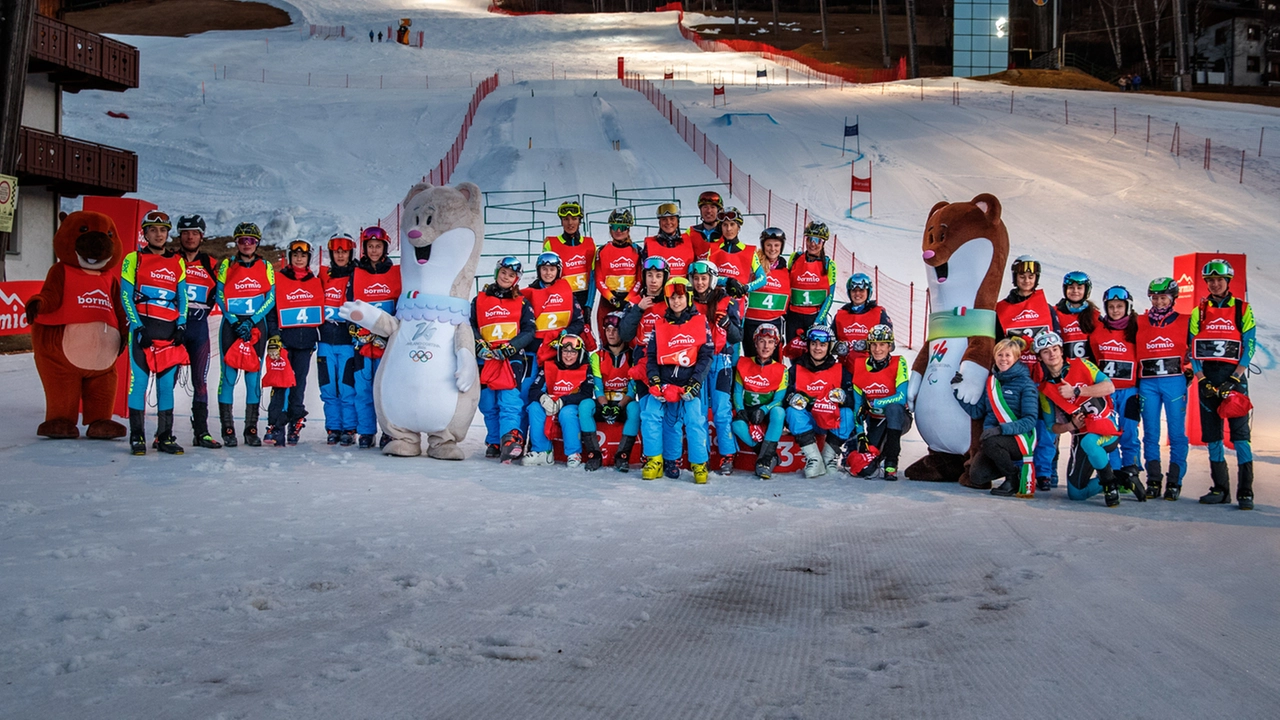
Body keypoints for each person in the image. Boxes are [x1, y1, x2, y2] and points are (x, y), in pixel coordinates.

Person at [1034, 330, 1145, 506]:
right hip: (1080, 434)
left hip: (1105, 426)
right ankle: (1122, 477)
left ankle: (1109, 485)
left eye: (1055, 349)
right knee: (1076, 493)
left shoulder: (1082, 364)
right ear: (1040, 357)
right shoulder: (1046, 390)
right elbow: (1050, 427)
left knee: (1089, 443)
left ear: (1061, 350)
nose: (1052, 354)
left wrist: (1077, 391)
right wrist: (1070, 425)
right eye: (1046, 351)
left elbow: (1109, 387)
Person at [121, 210, 189, 455]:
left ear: (168, 233)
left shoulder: (177, 261)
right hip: (143, 330)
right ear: (145, 233)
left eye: (163, 230)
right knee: (139, 384)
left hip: (168, 331)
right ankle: (137, 436)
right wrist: (137, 326)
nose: (158, 234)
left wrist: (181, 325)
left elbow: (182, 296)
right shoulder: (133, 259)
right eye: (153, 230)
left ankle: (164, 437)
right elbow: (125, 296)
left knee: (165, 386)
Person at [1190, 259, 1256, 509]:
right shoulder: (1200, 310)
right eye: (1210, 281)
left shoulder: (1242, 309)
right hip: (1208, 377)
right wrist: (1201, 378)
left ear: (1228, 281)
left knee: (1240, 435)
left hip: (1234, 377)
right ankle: (1220, 488)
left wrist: (1235, 377)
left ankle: (1246, 491)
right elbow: (1193, 347)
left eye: (1219, 280)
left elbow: (1249, 345)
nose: (1215, 284)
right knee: (1213, 435)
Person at [995, 255, 1061, 490]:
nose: (1026, 280)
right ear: (1015, 278)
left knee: (1045, 425)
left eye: (1031, 276)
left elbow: (1057, 341)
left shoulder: (1047, 308)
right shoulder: (1001, 308)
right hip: (1016, 379)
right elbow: (996, 344)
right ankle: (1017, 470)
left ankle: (1044, 472)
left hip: (1043, 379)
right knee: (1018, 425)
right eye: (1022, 276)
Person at [641, 277, 713, 483]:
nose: (676, 302)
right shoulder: (660, 324)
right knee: (651, 416)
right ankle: (656, 460)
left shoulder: (700, 322)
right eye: (672, 298)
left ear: (688, 298)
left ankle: (699, 464)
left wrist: (696, 382)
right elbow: (652, 356)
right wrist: (654, 380)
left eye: (680, 297)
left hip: (689, 382)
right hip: (664, 383)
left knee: (694, 419)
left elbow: (706, 355)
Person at [954, 337, 1040, 497]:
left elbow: (1030, 420)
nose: (1003, 359)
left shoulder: (1025, 384)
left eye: (1008, 355)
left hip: (1020, 440)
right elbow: (977, 412)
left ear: (1016, 358)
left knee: (990, 441)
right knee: (977, 476)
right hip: (993, 440)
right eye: (1000, 355)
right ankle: (1013, 470)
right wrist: (957, 391)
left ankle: (1012, 478)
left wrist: (1000, 429)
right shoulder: (991, 383)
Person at [215, 222, 276, 447]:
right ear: (237, 242)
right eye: (242, 240)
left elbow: (270, 297)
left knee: (253, 379)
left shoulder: (266, 265)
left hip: (255, 325)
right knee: (228, 377)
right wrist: (233, 320)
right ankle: (227, 428)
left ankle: (251, 429)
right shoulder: (227, 264)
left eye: (251, 240)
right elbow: (219, 296)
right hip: (231, 326)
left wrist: (251, 320)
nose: (247, 244)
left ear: (257, 242)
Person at [472, 256, 535, 462]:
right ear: (496, 273)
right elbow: (469, 325)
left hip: (510, 358)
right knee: (488, 402)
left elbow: (529, 329)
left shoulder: (522, 301)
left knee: (509, 400)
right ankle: (494, 441)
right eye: (503, 273)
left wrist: (512, 346)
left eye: (511, 275)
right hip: (486, 358)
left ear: (516, 279)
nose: (506, 277)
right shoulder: (479, 299)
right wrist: (478, 342)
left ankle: (510, 440)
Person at [346, 226, 401, 449]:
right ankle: (367, 431)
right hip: (363, 344)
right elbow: (349, 307)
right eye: (370, 246)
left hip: (386, 343)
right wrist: (356, 332)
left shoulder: (396, 273)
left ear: (385, 248)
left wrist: (390, 335)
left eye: (378, 246)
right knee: (363, 389)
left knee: (386, 391)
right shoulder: (356, 273)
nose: (374, 250)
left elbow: (401, 309)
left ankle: (389, 431)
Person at [264, 240, 322, 446]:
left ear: (308, 259)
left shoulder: (315, 281)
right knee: (280, 384)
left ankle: (294, 423)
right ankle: (275, 424)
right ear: (289, 257)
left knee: (299, 384)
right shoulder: (279, 279)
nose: (299, 259)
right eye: (295, 255)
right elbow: (272, 311)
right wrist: (274, 335)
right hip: (285, 342)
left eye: (303, 256)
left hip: (305, 342)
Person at [1136, 277, 1190, 500]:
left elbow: (1196, 349)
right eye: (1155, 298)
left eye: (1163, 298)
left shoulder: (1186, 321)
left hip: (1174, 381)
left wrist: (1190, 371)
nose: (1158, 302)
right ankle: (1154, 479)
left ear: (1173, 299)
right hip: (1148, 382)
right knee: (1150, 433)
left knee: (1177, 433)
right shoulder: (1138, 321)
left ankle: (1175, 481)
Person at [689, 259, 742, 474]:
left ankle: (727, 455)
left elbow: (738, 336)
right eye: (696, 278)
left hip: (721, 361)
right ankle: (702, 457)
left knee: (721, 410)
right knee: (699, 412)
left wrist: (727, 325)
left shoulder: (726, 301)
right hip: (697, 363)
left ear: (712, 279)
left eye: (704, 278)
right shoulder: (687, 300)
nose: (700, 282)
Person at [174, 214, 221, 449]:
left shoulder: (210, 263)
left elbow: (219, 295)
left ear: (201, 236)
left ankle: (201, 431)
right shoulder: (171, 260)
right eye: (185, 233)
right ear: (179, 236)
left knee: (200, 381)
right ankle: (164, 432)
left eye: (194, 233)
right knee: (168, 380)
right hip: (173, 327)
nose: (190, 237)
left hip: (199, 326)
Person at [786, 325, 855, 478]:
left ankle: (828, 457)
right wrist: (791, 397)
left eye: (822, 345)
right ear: (808, 345)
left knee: (848, 414)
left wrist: (844, 397)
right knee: (792, 411)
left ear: (829, 347)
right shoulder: (796, 369)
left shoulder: (840, 370)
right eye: (814, 344)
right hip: (808, 421)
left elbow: (852, 401)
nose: (817, 348)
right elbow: (785, 395)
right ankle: (814, 458)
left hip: (830, 421)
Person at [1089, 286, 1142, 478]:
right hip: (1107, 392)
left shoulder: (1136, 330)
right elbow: (1096, 358)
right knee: (1108, 432)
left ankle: (1131, 469)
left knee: (1129, 432)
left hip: (1129, 391)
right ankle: (1113, 472)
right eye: (1111, 306)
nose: (1115, 310)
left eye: (1120, 306)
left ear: (1128, 307)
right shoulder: (1098, 332)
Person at [524, 334, 595, 467]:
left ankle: (573, 452)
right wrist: (543, 398)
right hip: (550, 403)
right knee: (534, 407)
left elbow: (587, 394)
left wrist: (563, 400)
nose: (568, 356)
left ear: (579, 354)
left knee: (567, 413)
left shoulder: (585, 369)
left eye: (573, 352)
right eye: (565, 351)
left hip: (570, 404)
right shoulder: (549, 367)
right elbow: (534, 389)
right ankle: (541, 451)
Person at [849, 325, 910, 480]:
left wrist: (875, 403)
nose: (877, 349)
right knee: (865, 469)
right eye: (874, 344)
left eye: (882, 344)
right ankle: (880, 454)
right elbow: (858, 406)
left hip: (898, 418)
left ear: (890, 346)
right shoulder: (860, 365)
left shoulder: (899, 362)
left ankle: (891, 463)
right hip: (875, 420)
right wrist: (860, 434)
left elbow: (901, 397)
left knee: (894, 408)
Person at [584, 311, 641, 472]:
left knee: (635, 408)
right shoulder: (597, 356)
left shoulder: (633, 356)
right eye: (607, 329)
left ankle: (622, 456)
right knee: (585, 405)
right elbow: (597, 386)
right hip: (605, 403)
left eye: (615, 329)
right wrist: (605, 405)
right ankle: (594, 455)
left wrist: (619, 406)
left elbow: (632, 390)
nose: (611, 333)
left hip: (623, 405)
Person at [731, 324, 788, 478]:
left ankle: (764, 462)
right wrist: (740, 409)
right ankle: (769, 455)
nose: (765, 346)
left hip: (767, 410)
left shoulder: (782, 369)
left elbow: (779, 399)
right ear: (755, 343)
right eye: (762, 341)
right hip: (749, 408)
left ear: (775, 345)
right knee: (736, 424)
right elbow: (737, 391)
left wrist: (764, 410)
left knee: (779, 412)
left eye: (770, 342)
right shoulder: (744, 363)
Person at [318, 233, 358, 445]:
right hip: (325, 339)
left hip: (347, 341)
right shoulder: (325, 275)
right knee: (327, 387)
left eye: (344, 251)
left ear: (351, 252)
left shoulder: (357, 274)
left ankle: (349, 428)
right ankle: (333, 427)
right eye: (336, 251)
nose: (340, 255)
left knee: (346, 387)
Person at [784, 221, 837, 358]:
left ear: (823, 243)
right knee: (794, 355)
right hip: (794, 317)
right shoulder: (795, 258)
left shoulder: (829, 265)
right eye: (809, 239)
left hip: (815, 317)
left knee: (815, 357)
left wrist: (818, 321)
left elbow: (829, 297)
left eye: (817, 240)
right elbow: (786, 287)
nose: (813, 244)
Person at [543, 200, 595, 327]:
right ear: (561, 221)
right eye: (566, 219)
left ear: (580, 220)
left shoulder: (590, 244)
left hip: (583, 301)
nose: (570, 223)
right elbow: (545, 276)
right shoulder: (551, 244)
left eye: (574, 218)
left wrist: (588, 305)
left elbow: (593, 277)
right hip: (562, 300)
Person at [742, 227, 790, 357]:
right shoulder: (754, 266)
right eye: (769, 245)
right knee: (751, 361)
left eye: (776, 245)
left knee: (773, 364)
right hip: (752, 323)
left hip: (773, 324)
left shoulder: (785, 271)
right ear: (763, 245)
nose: (772, 249)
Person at [832, 272, 892, 372]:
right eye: (854, 291)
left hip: (871, 369)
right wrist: (837, 346)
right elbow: (828, 342)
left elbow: (890, 344)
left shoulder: (878, 313)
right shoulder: (841, 314)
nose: (857, 294)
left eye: (861, 290)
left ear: (868, 292)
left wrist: (867, 345)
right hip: (845, 370)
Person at [707, 206, 765, 308]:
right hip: (715, 302)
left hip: (738, 303)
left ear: (738, 228)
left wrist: (746, 288)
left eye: (732, 224)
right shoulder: (713, 249)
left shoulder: (749, 251)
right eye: (725, 225)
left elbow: (762, 278)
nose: (728, 229)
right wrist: (727, 281)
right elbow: (707, 276)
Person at [594, 208, 640, 331]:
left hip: (629, 301)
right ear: (610, 229)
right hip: (607, 302)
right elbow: (598, 279)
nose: (618, 231)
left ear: (628, 229)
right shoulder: (602, 251)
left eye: (623, 227)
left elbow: (640, 280)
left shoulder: (637, 251)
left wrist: (628, 299)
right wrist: (611, 297)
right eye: (614, 227)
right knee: (607, 339)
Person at [641, 202, 696, 279]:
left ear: (677, 221)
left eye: (672, 218)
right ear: (659, 222)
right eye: (664, 219)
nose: (668, 222)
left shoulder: (688, 241)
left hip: (684, 289)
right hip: (660, 290)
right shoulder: (650, 245)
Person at [684, 190, 723, 260]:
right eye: (705, 207)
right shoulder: (691, 232)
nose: (708, 211)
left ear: (718, 210)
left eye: (713, 207)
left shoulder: (725, 232)